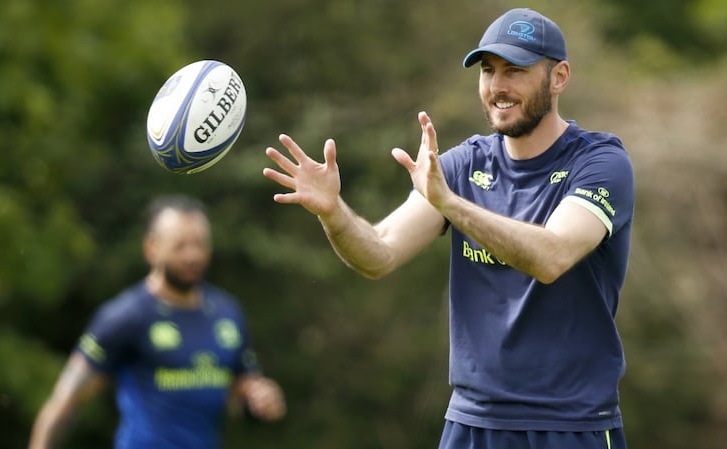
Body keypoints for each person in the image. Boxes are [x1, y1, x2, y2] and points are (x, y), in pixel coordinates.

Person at [263, 7, 633, 449]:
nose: (498, 86)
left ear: (559, 77)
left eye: (515, 70)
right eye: (488, 71)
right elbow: (379, 253)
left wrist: (450, 204)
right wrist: (333, 211)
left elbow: (551, 256)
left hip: (570, 424)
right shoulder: (461, 165)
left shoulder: (600, 163)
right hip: (472, 423)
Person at [28, 194, 286, 449]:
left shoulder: (226, 312)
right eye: (180, 246)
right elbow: (66, 401)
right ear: (151, 248)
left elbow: (242, 394)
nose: (192, 255)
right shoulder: (125, 316)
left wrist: (262, 401)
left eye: (200, 244)